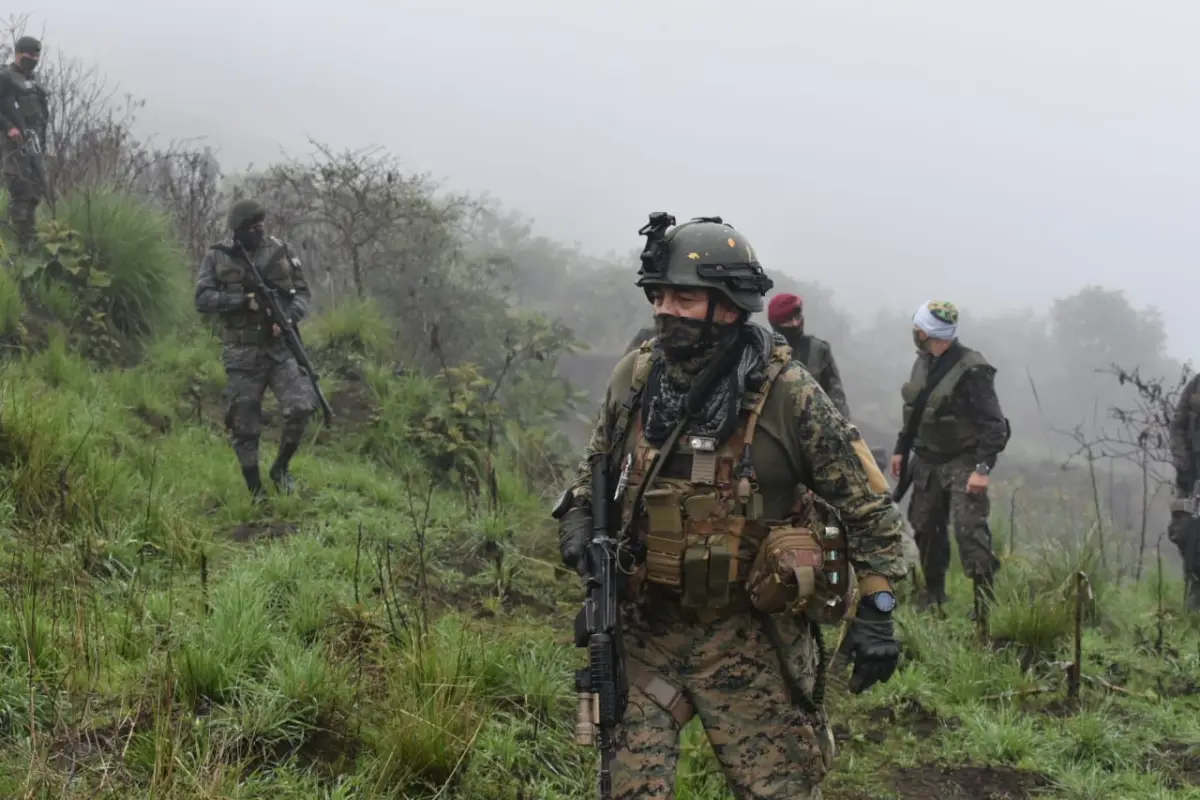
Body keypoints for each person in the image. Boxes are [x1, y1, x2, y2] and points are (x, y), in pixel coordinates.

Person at [554, 213, 909, 799]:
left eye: (685, 298)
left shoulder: (789, 395)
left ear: (728, 305)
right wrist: (578, 523)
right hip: (647, 629)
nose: (666, 310)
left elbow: (869, 507)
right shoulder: (636, 379)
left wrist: (878, 609)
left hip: (749, 639)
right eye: (660, 296)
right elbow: (591, 475)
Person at [889, 301, 1009, 616]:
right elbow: (915, 411)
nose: (914, 333)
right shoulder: (924, 362)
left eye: (918, 328)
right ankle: (933, 595)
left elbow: (995, 427)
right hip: (927, 459)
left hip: (963, 460)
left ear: (928, 332)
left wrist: (982, 469)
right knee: (924, 528)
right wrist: (902, 448)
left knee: (969, 530)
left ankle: (985, 605)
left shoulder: (972, 370)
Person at [195, 199, 316, 499]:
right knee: (244, 423)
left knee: (301, 405)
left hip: (279, 349)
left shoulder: (279, 251)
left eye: (261, 226)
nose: (258, 232)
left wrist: (286, 318)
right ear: (238, 231)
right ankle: (255, 489)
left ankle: (281, 468)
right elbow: (202, 299)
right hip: (242, 353)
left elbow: (301, 293)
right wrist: (243, 301)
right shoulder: (219, 256)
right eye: (252, 228)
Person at [767, 292, 850, 418]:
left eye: (797, 317)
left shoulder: (819, 350)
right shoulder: (764, 350)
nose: (795, 324)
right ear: (776, 324)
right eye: (789, 320)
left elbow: (836, 396)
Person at [0, 36, 48, 252]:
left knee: (36, 192)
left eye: (37, 55)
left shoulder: (35, 82)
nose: (34, 59)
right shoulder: (5, 77)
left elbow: (41, 115)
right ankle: (18, 244)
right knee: (21, 191)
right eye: (29, 55)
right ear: (19, 54)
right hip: (14, 146)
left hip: (34, 144)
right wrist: (8, 127)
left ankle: (29, 242)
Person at [1167, 373, 1200, 611]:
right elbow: (1177, 428)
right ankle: (1193, 607)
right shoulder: (1196, 386)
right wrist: (1185, 465)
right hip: (1192, 481)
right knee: (1185, 534)